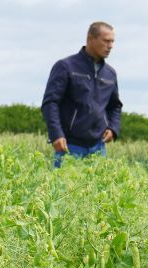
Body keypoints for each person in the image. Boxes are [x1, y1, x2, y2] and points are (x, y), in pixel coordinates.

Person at [41, 22, 123, 167]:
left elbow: (115, 106)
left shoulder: (110, 74)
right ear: (90, 39)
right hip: (69, 145)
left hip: (98, 147)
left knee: (98, 189)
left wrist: (113, 128)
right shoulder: (66, 66)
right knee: (64, 189)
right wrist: (56, 134)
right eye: (106, 41)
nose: (110, 46)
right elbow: (50, 103)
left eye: (112, 41)